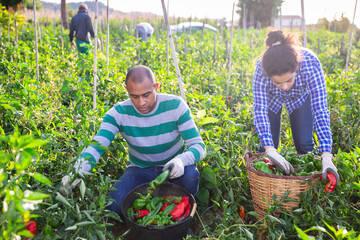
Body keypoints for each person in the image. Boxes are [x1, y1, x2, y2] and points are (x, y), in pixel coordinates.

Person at [62, 65, 205, 217]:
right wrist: (75, 173)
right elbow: (97, 146)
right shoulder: (118, 114)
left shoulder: (175, 106)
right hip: (140, 171)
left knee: (190, 177)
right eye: (134, 96)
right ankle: (156, 204)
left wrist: (181, 160)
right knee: (113, 205)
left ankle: (180, 211)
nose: (141, 102)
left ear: (156, 87)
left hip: (173, 169)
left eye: (146, 95)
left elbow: (199, 146)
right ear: (127, 91)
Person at [252, 30, 339, 186]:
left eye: (289, 80)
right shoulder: (262, 68)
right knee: (266, 148)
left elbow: (320, 110)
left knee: (304, 144)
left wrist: (326, 154)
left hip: (300, 97)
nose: (285, 87)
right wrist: (270, 150)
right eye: (278, 82)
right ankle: (265, 183)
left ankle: (305, 184)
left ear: (296, 67)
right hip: (272, 99)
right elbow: (260, 111)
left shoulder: (310, 63)